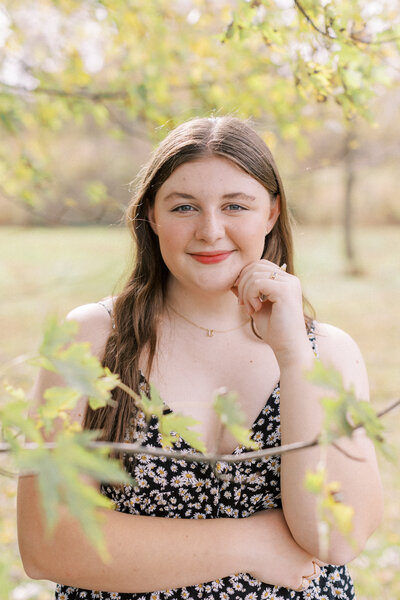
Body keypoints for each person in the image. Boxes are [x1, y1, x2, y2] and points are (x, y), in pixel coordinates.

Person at [17, 116, 383, 600]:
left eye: (236, 205)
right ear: (151, 214)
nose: (211, 231)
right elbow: (46, 546)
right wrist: (248, 542)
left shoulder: (328, 353)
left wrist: (294, 357)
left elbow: (335, 539)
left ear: (271, 214)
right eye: (185, 206)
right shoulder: (88, 340)